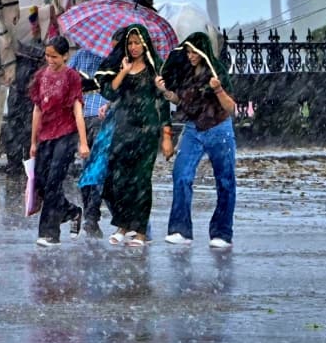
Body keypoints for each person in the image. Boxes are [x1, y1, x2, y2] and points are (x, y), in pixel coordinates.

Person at [155, 31, 238, 249]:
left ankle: (222, 232)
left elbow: (231, 107)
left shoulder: (216, 71)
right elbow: (180, 99)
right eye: (188, 52)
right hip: (193, 129)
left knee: (225, 181)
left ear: (203, 52)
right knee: (181, 175)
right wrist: (165, 91)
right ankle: (180, 229)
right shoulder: (185, 73)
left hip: (219, 128)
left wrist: (217, 89)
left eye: (194, 52)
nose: (191, 56)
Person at [94, 24, 173, 247]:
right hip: (123, 129)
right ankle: (123, 225)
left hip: (147, 131)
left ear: (145, 44)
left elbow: (163, 103)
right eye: (130, 43)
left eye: (138, 42)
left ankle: (140, 231)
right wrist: (124, 71)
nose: (134, 47)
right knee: (118, 179)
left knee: (141, 180)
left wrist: (167, 135)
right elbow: (110, 91)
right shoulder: (121, 65)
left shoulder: (155, 69)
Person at [29, 36, 90, 247]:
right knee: (42, 182)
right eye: (47, 56)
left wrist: (83, 142)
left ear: (65, 56)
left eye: (54, 56)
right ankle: (72, 211)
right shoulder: (40, 76)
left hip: (66, 133)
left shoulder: (72, 77)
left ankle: (49, 233)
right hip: (45, 134)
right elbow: (37, 109)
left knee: (55, 180)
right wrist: (33, 142)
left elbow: (77, 109)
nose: (50, 60)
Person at [69, 43, 112, 238]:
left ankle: (89, 213)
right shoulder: (113, 59)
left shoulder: (80, 55)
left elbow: (68, 78)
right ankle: (91, 215)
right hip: (101, 117)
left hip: (83, 116)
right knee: (98, 167)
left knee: (88, 166)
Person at [4, 6, 45, 176]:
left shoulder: (30, 49)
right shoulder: (34, 49)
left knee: (22, 131)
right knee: (19, 130)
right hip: (22, 96)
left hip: (24, 96)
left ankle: (20, 164)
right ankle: (19, 164)